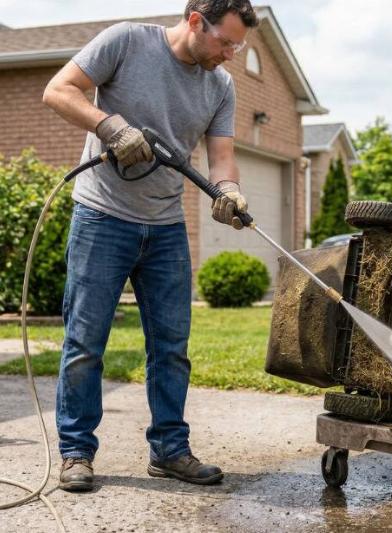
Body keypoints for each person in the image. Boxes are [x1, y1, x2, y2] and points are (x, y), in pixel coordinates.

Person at [41, 0, 259, 492]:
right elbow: (58, 90)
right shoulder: (126, 41)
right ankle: (76, 451)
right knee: (84, 343)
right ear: (195, 20)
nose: (230, 54)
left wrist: (228, 190)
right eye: (225, 42)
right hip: (101, 216)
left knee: (171, 347)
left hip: (165, 225)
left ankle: (170, 449)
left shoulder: (220, 85)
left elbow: (221, 158)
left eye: (238, 45)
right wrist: (109, 126)